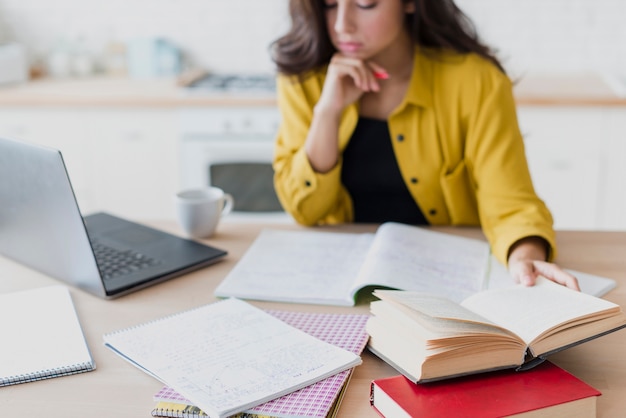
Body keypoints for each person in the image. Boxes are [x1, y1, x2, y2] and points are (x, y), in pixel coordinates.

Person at [270, 0, 579, 290]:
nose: (341, 25)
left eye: (365, 4)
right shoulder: (303, 80)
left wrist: (524, 258)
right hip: (339, 282)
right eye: (330, 5)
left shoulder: (477, 81)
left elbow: (511, 205)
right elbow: (305, 211)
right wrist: (328, 112)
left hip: (448, 282)